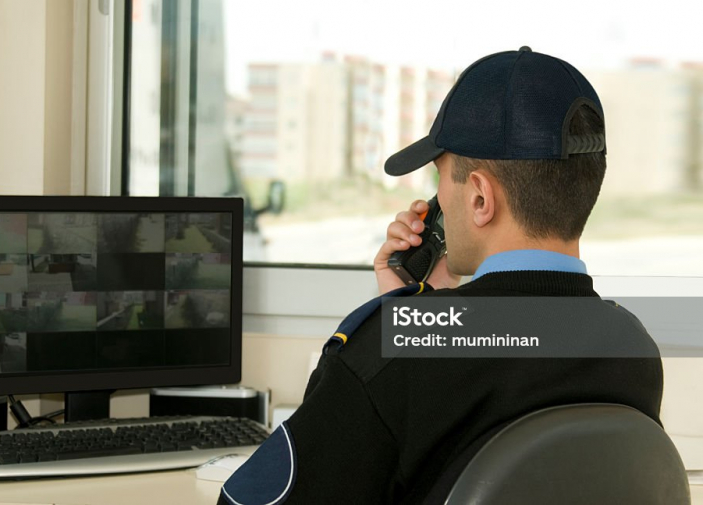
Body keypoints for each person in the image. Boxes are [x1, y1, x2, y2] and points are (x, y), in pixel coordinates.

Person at [217, 47, 663, 505]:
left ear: (479, 199)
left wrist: (402, 321)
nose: (437, 203)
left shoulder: (402, 344)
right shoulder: (633, 347)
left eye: (442, 179)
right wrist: (432, 305)